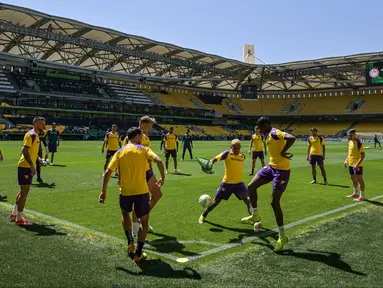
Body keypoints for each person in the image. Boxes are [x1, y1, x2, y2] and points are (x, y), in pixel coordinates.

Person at [98, 127, 165, 263]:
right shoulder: (144, 149)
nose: (141, 139)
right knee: (144, 222)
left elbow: (107, 173)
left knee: (125, 214)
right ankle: (138, 253)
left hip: (125, 192)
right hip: (141, 192)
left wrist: (103, 191)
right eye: (140, 136)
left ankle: (130, 242)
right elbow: (158, 160)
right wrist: (162, 177)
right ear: (136, 137)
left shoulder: (119, 152)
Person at [242, 117, 295, 252]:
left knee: (274, 202)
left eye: (260, 126)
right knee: (251, 186)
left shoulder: (274, 133)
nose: (259, 129)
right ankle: (255, 214)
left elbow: (292, 137)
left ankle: (282, 236)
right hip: (271, 167)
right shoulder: (266, 134)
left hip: (282, 171)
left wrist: (283, 151)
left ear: (266, 124)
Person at [198, 139, 252, 224]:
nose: (237, 150)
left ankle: (255, 219)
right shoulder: (227, 154)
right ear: (231, 147)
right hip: (227, 183)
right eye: (235, 148)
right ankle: (203, 215)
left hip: (239, 184)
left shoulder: (242, 156)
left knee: (248, 201)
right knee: (215, 202)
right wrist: (211, 163)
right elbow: (215, 159)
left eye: (239, 148)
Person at [10, 116, 46, 225]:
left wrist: (39, 160)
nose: (44, 126)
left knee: (23, 191)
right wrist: (32, 165)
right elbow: (24, 151)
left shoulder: (36, 136)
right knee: (24, 192)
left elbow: (30, 151)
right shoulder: (31, 135)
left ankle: (14, 213)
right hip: (25, 166)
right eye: (42, 124)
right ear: (36, 124)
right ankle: (19, 219)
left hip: (26, 166)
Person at [131, 116, 161, 236]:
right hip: (137, 173)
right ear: (142, 125)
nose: (151, 129)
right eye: (150, 126)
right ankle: (134, 228)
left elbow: (149, 157)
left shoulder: (146, 138)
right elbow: (124, 155)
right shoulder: (132, 136)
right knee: (138, 201)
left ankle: (143, 217)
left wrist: (152, 171)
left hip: (148, 171)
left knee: (157, 194)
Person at [344, 129, 365, 201]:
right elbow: (350, 153)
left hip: (357, 165)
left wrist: (357, 164)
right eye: (349, 135)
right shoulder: (349, 141)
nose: (349, 136)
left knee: (360, 180)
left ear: (354, 134)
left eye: (351, 135)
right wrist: (346, 160)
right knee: (353, 178)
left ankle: (362, 196)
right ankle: (355, 193)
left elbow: (363, 156)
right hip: (351, 164)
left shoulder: (359, 143)